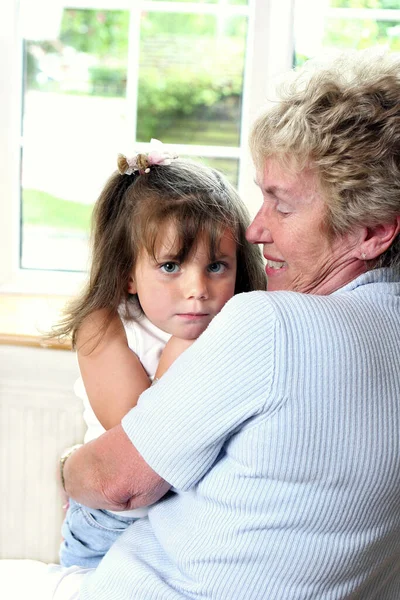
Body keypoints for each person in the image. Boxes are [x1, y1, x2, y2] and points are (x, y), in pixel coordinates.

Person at [1, 48, 400, 600]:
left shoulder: (272, 327)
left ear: (374, 231)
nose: (256, 231)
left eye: (282, 206)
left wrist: (69, 467)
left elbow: (118, 482)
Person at [52, 141, 266, 568]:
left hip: (186, 517)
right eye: (171, 266)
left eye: (216, 266)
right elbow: (142, 432)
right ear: (128, 273)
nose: (197, 289)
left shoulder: (238, 323)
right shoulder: (106, 324)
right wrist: (183, 346)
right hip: (111, 523)